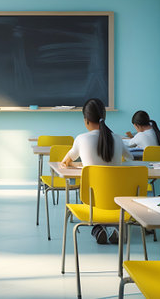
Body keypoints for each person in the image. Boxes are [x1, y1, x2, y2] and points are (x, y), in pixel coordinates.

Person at [60, 98, 133, 244]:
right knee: (109, 203)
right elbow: (130, 157)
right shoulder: (117, 138)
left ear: (86, 120)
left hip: (92, 199)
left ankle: (98, 227)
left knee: (95, 201)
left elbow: (66, 161)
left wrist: (82, 165)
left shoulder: (81, 139)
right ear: (104, 117)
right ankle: (111, 227)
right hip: (118, 200)